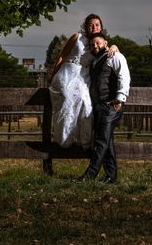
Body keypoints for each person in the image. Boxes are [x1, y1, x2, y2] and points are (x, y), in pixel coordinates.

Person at [48, 14, 118, 148]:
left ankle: (83, 140)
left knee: (86, 104)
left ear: (101, 27)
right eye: (91, 25)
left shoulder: (101, 42)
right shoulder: (77, 37)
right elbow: (62, 55)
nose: (94, 27)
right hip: (68, 72)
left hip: (84, 76)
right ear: (86, 27)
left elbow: (112, 52)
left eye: (97, 25)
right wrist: (53, 75)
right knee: (67, 98)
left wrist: (114, 46)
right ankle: (64, 140)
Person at [77, 32, 131, 184]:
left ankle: (89, 176)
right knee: (107, 141)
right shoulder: (95, 60)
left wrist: (120, 99)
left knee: (100, 141)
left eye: (98, 43)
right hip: (100, 106)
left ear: (105, 43)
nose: (95, 46)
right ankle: (111, 176)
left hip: (111, 105)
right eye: (92, 44)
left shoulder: (114, 56)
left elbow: (124, 77)